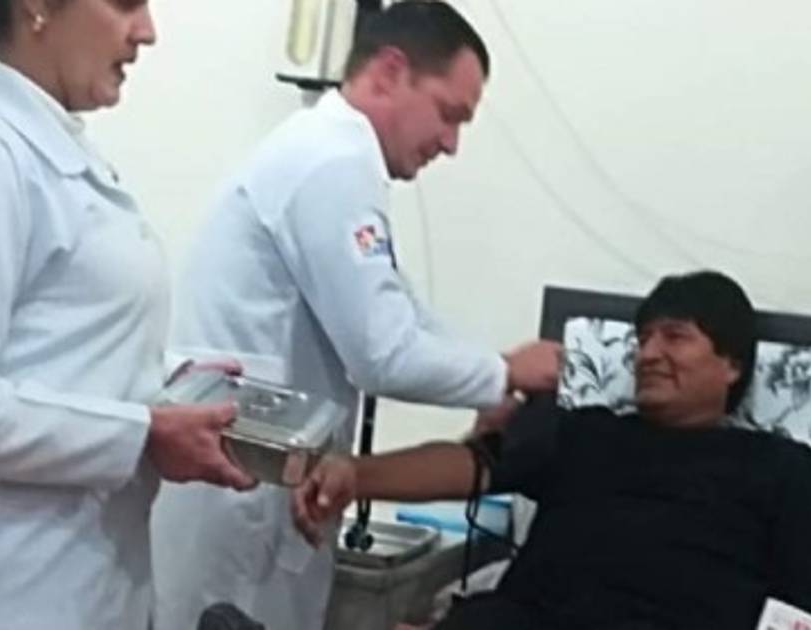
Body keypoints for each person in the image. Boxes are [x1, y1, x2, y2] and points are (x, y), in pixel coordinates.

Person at [149, 2, 561, 629]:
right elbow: (382, 354)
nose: (451, 144)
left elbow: (401, 312)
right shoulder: (333, 163)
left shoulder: (333, 157)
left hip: (264, 482)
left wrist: (494, 377)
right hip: (241, 496)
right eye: (449, 114)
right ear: (390, 72)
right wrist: (503, 374)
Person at [0, 1, 256, 628]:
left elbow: (54, 345)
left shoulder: (51, 140)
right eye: (125, 4)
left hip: (80, 577)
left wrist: (168, 375)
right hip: (6, 590)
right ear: (37, 8)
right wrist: (143, 433)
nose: (147, 31)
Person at [294, 271, 811, 630]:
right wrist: (355, 475)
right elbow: (472, 467)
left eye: (675, 336)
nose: (649, 354)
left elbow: (810, 619)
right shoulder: (583, 434)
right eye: (643, 339)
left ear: (732, 364)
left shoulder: (786, 472)